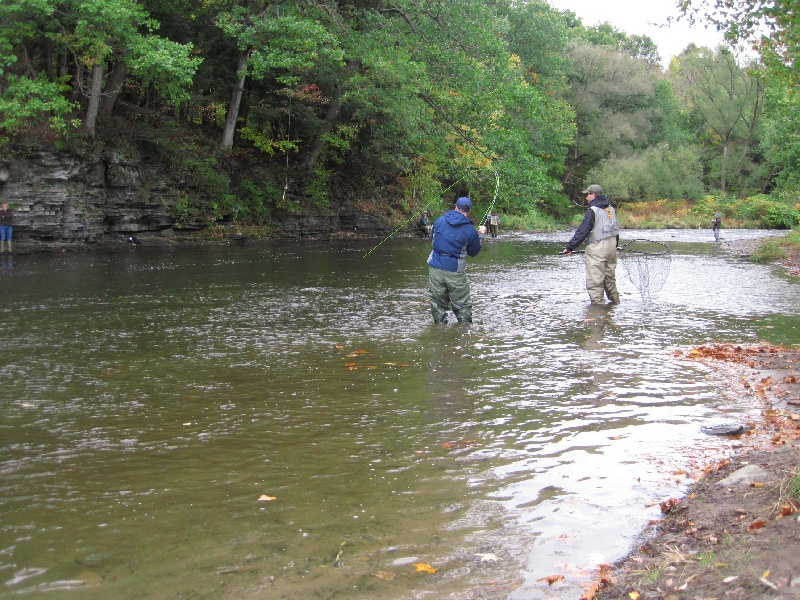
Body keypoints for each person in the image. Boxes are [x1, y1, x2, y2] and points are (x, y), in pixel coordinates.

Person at [427, 197, 487, 323]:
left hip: (435, 268)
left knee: (437, 304)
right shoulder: (471, 230)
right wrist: (481, 235)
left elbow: (432, 240)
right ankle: (463, 335)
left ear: (455, 207)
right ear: (469, 211)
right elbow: (473, 252)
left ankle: (439, 333)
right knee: (462, 306)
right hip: (455, 271)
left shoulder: (439, 221)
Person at [562, 184, 620, 305]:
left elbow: (583, 231)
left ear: (593, 195)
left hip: (598, 248)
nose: (586, 197)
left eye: (587, 194)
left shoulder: (593, 210)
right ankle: (615, 305)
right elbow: (615, 231)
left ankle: (597, 311)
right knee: (610, 279)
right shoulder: (611, 209)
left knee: (595, 280)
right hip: (612, 246)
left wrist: (570, 247)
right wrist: (615, 246)